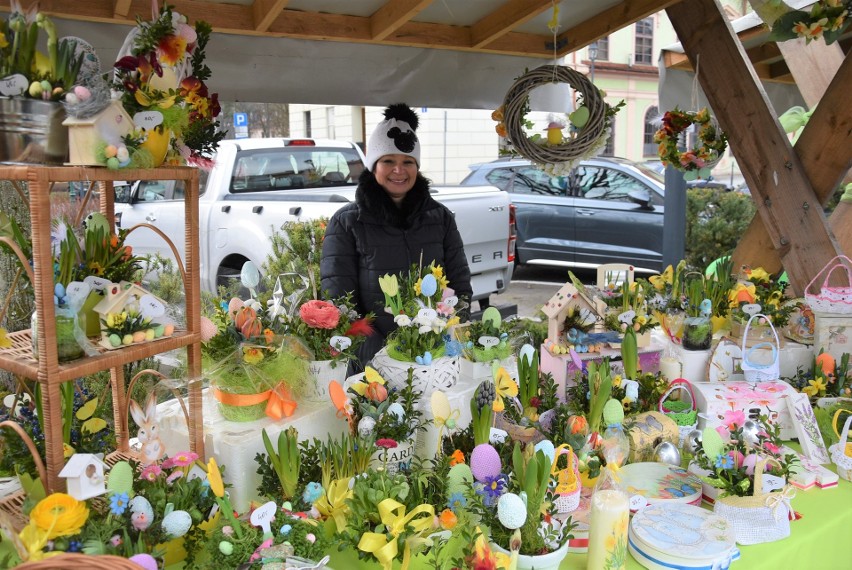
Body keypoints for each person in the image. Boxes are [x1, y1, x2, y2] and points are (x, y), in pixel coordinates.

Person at [320, 103, 472, 368]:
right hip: (374, 363)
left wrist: (440, 338)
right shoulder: (348, 222)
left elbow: (460, 288)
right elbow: (341, 304)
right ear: (373, 166)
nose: (398, 170)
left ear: (417, 167)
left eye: (407, 162)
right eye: (388, 161)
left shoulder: (441, 218)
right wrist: (383, 357)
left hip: (434, 357)